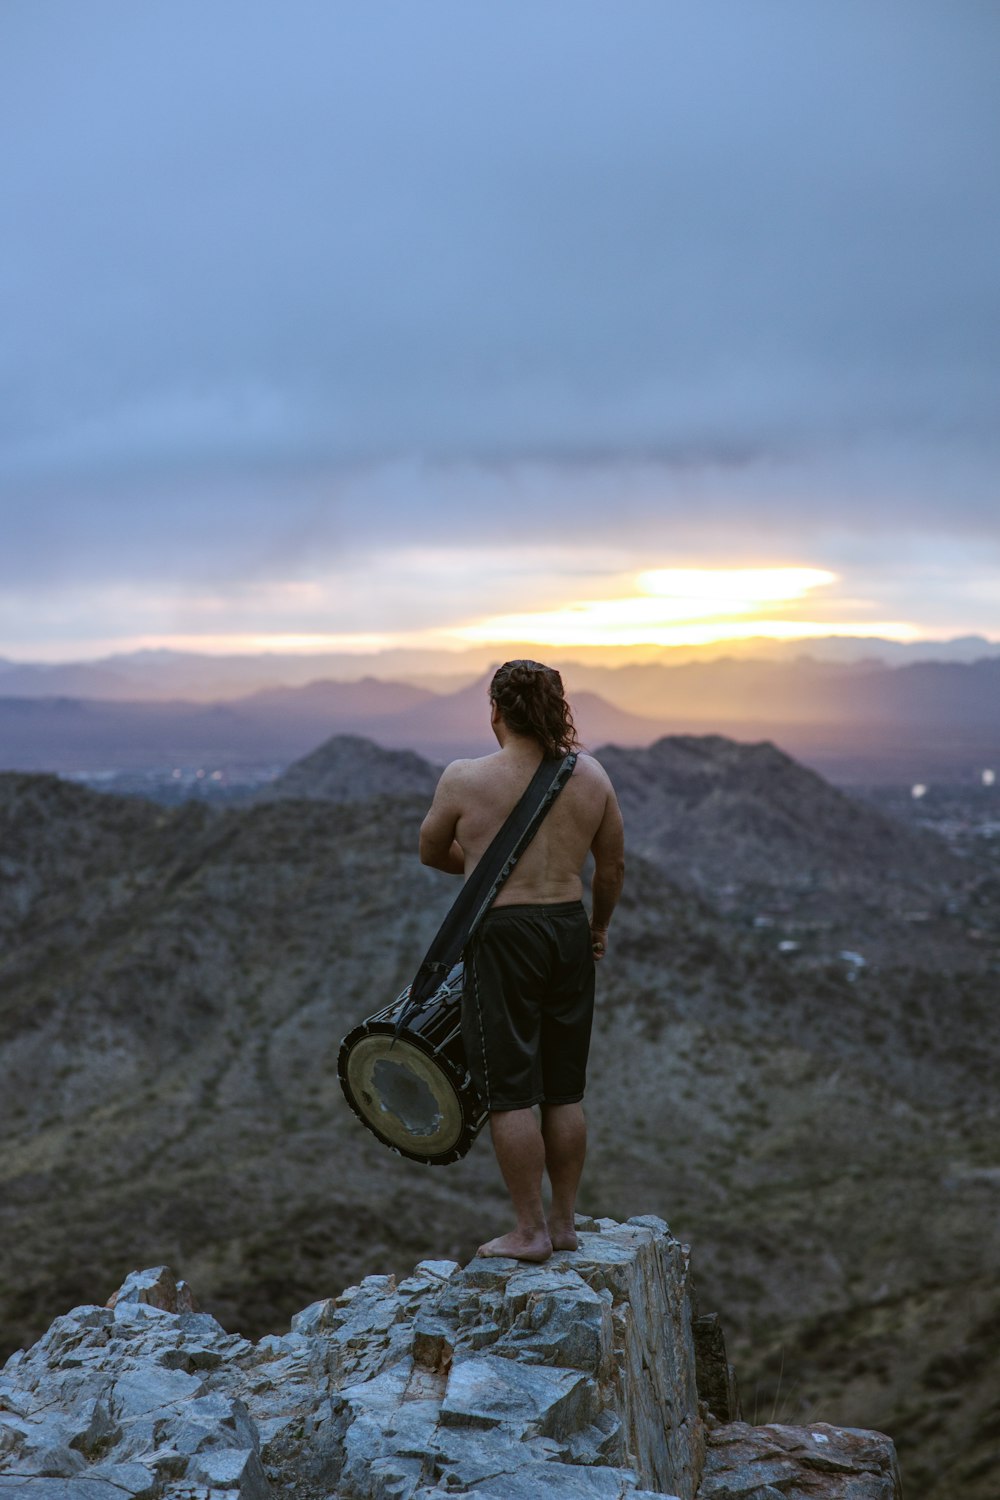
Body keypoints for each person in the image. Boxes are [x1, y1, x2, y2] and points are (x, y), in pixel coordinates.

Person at [419, 659, 625, 1262]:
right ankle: (563, 1223)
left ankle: (529, 1231)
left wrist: (487, 869)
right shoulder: (591, 776)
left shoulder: (464, 778)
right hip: (567, 927)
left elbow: (432, 851)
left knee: (510, 1093)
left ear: (495, 711)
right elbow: (610, 867)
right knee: (565, 1090)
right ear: (558, 709)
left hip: (504, 935)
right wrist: (598, 926)